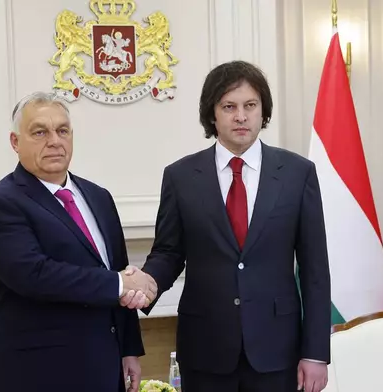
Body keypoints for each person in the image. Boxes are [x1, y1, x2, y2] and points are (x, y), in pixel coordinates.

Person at [123, 61, 331, 392]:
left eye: (250, 106)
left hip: (277, 351)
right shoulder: (180, 177)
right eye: (229, 106)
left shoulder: (297, 173)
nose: (241, 116)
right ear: (212, 114)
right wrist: (145, 283)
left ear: (263, 111)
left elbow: (315, 269)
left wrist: (316, 353)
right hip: (205, 349)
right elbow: (169, 252)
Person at [0, 92, 157, 392]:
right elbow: (35, 275)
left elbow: (117, 268)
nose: (54, 141)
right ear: (15, 142)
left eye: (62, 131)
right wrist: (120, 284)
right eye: (40, 132)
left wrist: (128, 348)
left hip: (102, 369)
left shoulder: (99, 197)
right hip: (35, 374)